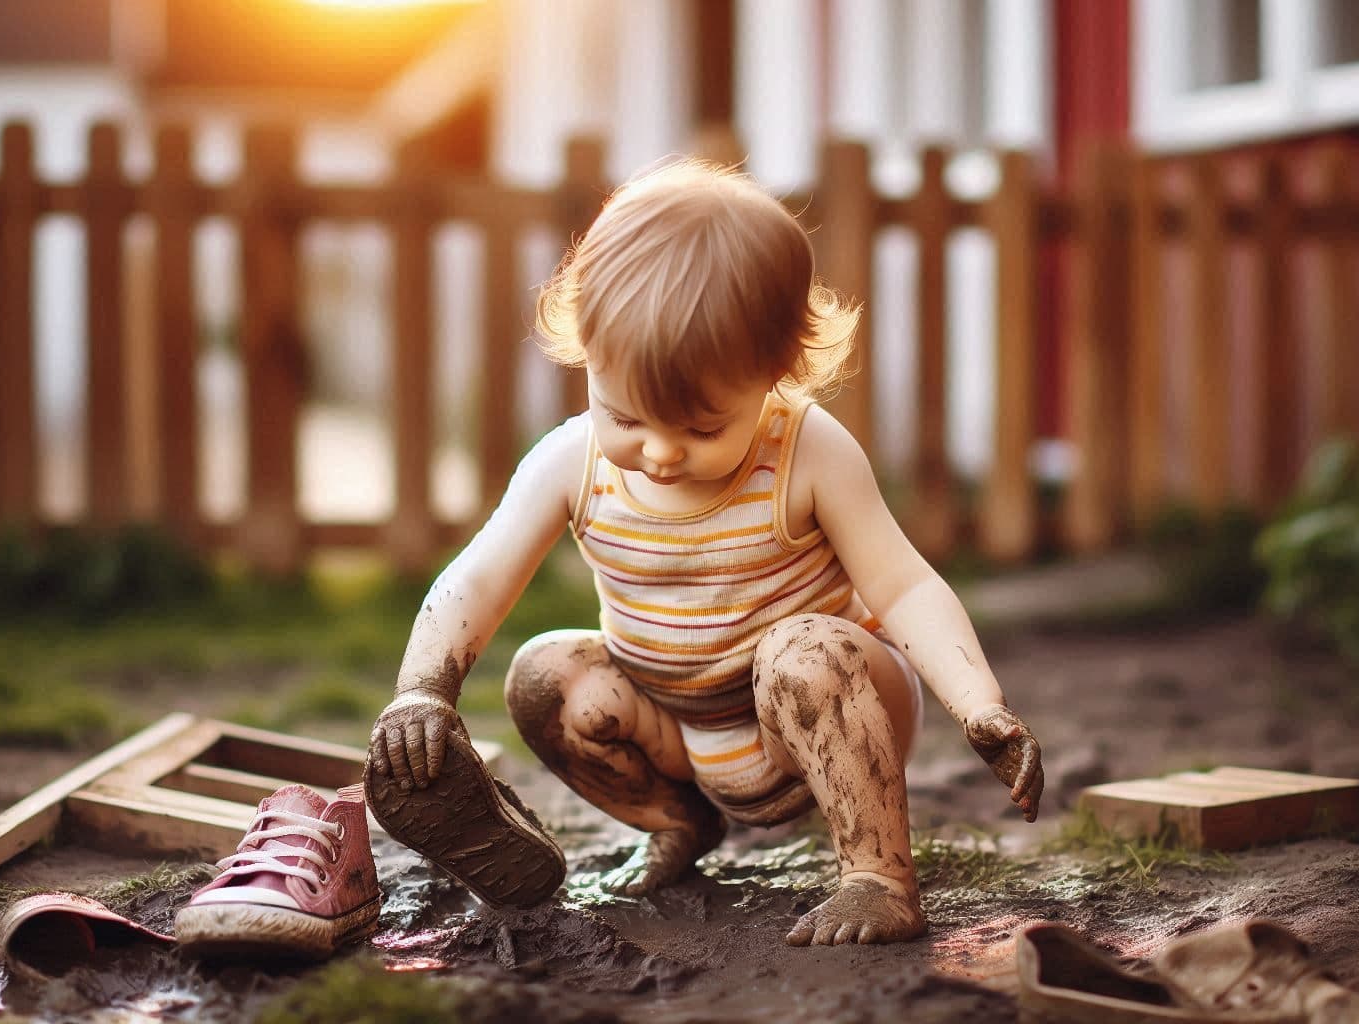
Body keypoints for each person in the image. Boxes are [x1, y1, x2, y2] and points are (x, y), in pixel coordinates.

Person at [365, 159, 1043, 946]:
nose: (657, 453)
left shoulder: (807, 452)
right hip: (677, 724)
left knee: (803, 650)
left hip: (813, 718)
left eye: (700, 428)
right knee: (546, 676)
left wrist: (978, 702)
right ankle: (678, 824)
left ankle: (879, 876)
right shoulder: (569, 460)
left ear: (775, 373)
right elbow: (479, 576)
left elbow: (904, 586)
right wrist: (422, 690)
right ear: (585, 349)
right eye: (625, 415)